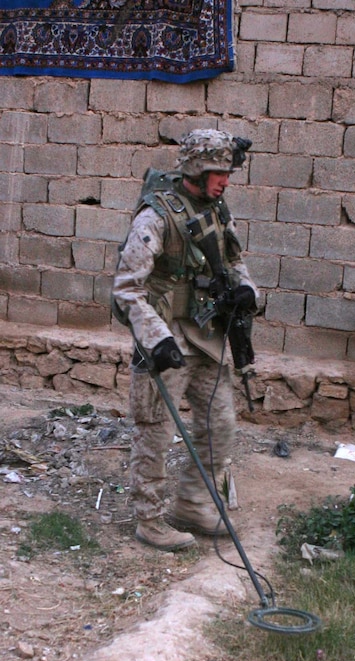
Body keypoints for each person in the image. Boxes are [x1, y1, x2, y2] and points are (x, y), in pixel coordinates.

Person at [112, 129, 259, 551]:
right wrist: (156, 340)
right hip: (166, 337)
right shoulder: (155, 216)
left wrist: (246, 289)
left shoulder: (217, 209)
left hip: (207, 335)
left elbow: (234, 259)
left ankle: (194, 504)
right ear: (197, 169)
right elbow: (127, 289)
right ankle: (150, 519)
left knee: (220, 425)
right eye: (218, 172)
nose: (226, 181)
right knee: (155, 431)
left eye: (228, 173)